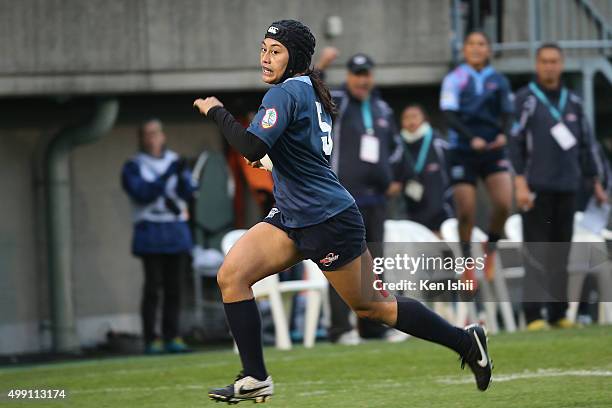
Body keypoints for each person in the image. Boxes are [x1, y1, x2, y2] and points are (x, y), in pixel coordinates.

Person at [193, 20, 492, 404]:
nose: (265, 58)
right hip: (293, 215)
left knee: (374, 307)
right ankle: (255, 376)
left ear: (295, 57)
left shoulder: (286, 93)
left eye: (275, 51)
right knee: (232, 276)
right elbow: (302, 156)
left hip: (327, 219)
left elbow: (251, 146)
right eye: (263, 49)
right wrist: (274, 165)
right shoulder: (305, 90)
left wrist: (218, 112)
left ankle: (466, 341)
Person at [510, 43, 607, 331]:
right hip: (536, 188)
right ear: (537, 65)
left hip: (568, 187)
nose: (549, 66)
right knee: (537, 251)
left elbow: (587, 144)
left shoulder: (574, 102)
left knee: (561, 253)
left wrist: (596, 181)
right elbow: (514, 144)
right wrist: (519, 183)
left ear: (561, 64)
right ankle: (534, 316)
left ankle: (558, 313)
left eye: (554, 61)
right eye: (544, 61)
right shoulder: (524, 100)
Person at [315, 49, 406, 344]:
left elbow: (396, 147)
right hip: (343, 198)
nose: (361, 80)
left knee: (374, 264)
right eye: (356, 74)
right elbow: (314, 93)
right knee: (341, 262)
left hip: (376, 200)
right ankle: (340, 329)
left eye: (366, 74)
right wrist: (323, 66)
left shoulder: (382, 109)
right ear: (349, 77)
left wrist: (394, 177)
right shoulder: (338, 101)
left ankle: (373, 326)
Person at [440, 31, 514, 288]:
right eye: (471, 43)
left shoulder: (498, 80)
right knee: (467, 211)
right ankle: (468, 263)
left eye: (481, 44)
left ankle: (490, 247)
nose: (475, 48)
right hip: (464, 149)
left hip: (493, 149)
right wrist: (471, 138)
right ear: (464, 49)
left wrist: (503, 134)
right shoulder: (455, 78)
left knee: (504, 203)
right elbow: (449, 115)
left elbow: (507, 112)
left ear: (488, 50)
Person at [121, 119, 196, 354]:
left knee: (175, 287)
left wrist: (183, 176)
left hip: (175, 229)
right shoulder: (134, 166)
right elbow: (142, 192)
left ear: (163, 136)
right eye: (148, 134)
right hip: (150, 230)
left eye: (156, 133)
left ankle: (172, 335)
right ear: (141, 139)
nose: (153, 138)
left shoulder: (175, 161)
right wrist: (166, 177)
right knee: (153, 288)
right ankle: (151, 338)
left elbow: (190, 193)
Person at [400, 104, 453, 235]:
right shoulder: (398, 146)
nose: (411, 121)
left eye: (415, 116)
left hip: (441, 216)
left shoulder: (439, 143)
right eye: (406, 118)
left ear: (424, 119)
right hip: (411, 216)